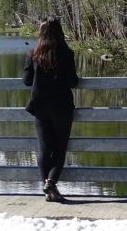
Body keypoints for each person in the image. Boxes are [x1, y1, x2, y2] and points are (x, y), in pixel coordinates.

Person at [23, 17, 78, 202]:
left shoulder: (33, 54)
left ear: (41, 33)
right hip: (62, 107)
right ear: (60, 32)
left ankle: (46, 184)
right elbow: (73, 82)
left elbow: (27, 81)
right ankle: (51, 182)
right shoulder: (66, 53)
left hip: (40, 107)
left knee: (44, 150)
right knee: (60, 149)